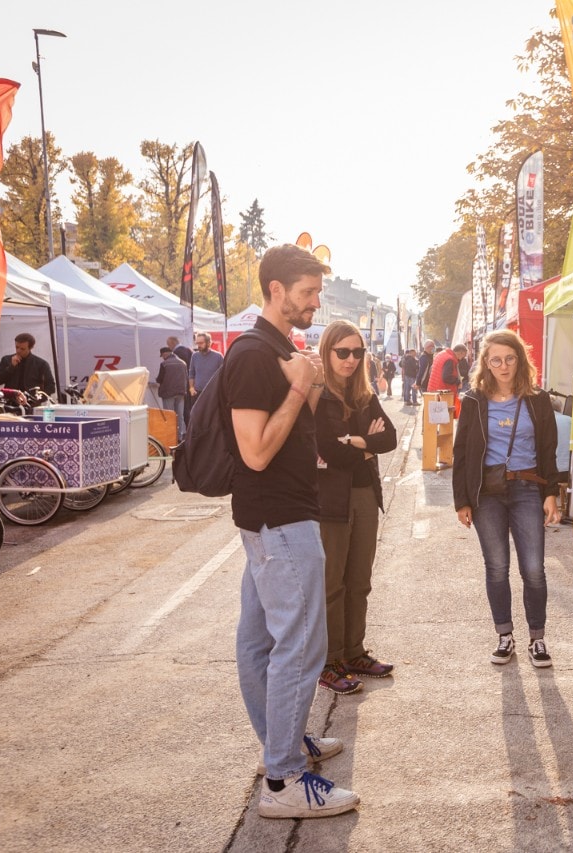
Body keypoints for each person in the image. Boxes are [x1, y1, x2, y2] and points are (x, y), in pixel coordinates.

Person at [225, 243, 359, 819]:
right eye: (307, 292)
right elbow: (254, 453)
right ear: (276, 291)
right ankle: (282, 780)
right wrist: (300, 388)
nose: (315, 303)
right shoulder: (257, 354)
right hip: (280, 520)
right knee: (301, 649)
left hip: (271, 519)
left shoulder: (276, 349)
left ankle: (280, 746)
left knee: (260, 643)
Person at [453, 329, 560, 667]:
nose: (503, 366)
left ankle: (537, 639)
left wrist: (552, 493)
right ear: (485, 362)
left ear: (520, 360)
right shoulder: (473, 400)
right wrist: (462, 500)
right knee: (497, 567)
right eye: (496, 359)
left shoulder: (538, 399)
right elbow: (461, 453)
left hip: (528, 487)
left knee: (533, 568)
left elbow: (548, 450)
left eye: (510, 358)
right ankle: (504, 635)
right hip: (487, 492)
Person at [314, 320, 399, 695]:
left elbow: (390, 438)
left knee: (360, 580)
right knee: (332, 583)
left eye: (357, 352)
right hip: (330, 500)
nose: (350, 360)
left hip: (365, 495)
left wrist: (355, 440)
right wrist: (364, 444)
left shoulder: (364, 394)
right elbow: (327, 450)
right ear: (328, 352)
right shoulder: (319, 395)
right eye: (343, 352)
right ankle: (329, 660)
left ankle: (354, 651)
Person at [0, 332, 56, 397]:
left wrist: (37, 399)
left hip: (31, 403)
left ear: (30, 347)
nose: (18, 351)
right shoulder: (6, 360)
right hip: (9, 402)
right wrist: (11, 367)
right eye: (17, 347)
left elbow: (51, 387)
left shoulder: (41, 364)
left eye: (22, 349)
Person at [155, 347, 188, 442]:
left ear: (165, 354)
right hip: (181, 393)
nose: (162, 358)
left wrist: (156, 380)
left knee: (169, 415)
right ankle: (180, 436)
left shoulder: (164, 364)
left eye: (162, 356)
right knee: (180, 415)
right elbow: (186, 377)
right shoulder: (183, 363)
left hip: (168, 393)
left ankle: (170, 436)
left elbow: (159, 379)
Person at [188, 332, 224, 403]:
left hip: (213, 393)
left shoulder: (218, 356)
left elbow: (223, 375)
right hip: (197, 393)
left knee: (211, 414)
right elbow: (191, 373)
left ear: (208, 343)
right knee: (197, 414)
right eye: (197, 343)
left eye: (201, 343)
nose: (198, 345)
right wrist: (191, 388)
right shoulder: (195, 356)